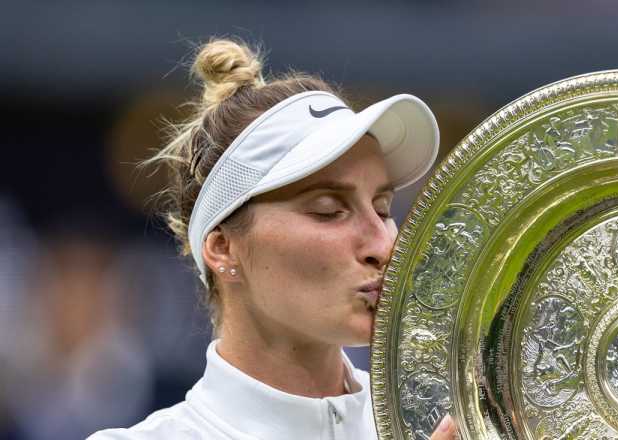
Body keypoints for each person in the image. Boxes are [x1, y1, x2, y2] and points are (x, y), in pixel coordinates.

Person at [89, 38, 457, 440]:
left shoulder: (454, 420)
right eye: (328, 210)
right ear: (223, 247)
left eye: (383, 210)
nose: (383, 247)